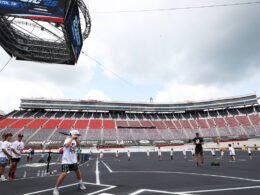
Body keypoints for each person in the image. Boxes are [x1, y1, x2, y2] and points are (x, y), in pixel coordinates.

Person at [53, 130, 86, 195]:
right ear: (74, 134)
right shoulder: (67, 140)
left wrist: (75, 139)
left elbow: (79, 145)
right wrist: (71, 138)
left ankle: (80, 183)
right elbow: (67, 145)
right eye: (77, 135)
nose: (78, 136)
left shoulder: (75, 141)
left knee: (78, 172)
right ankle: (56, 188)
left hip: (73, 160)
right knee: (64, 174)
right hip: (66, 160)